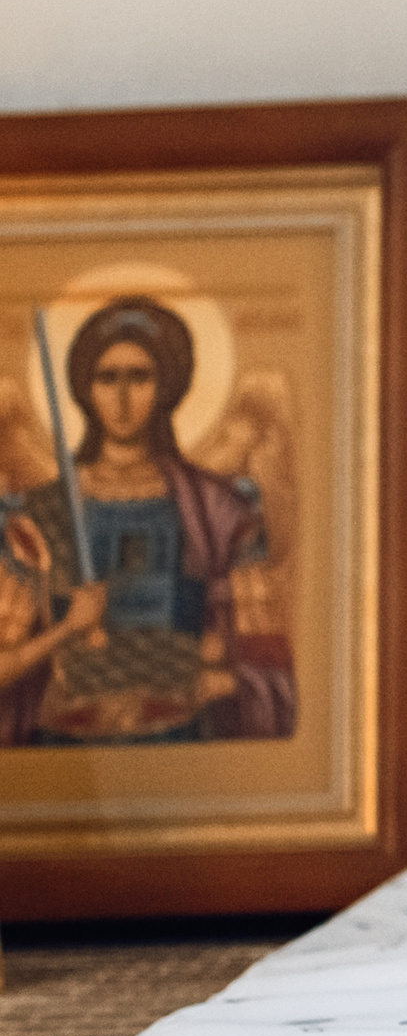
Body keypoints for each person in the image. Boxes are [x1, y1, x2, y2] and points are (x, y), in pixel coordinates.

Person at [0, 297, 294, 744]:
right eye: (107, 378)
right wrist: (65, 630)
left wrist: (218, 676)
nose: (121, 398)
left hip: (183, 743)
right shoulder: (38, 515)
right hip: (65, 750)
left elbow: (265, 657)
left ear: (166, 386)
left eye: (139, 377)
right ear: (86, 388)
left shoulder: (218, 512)